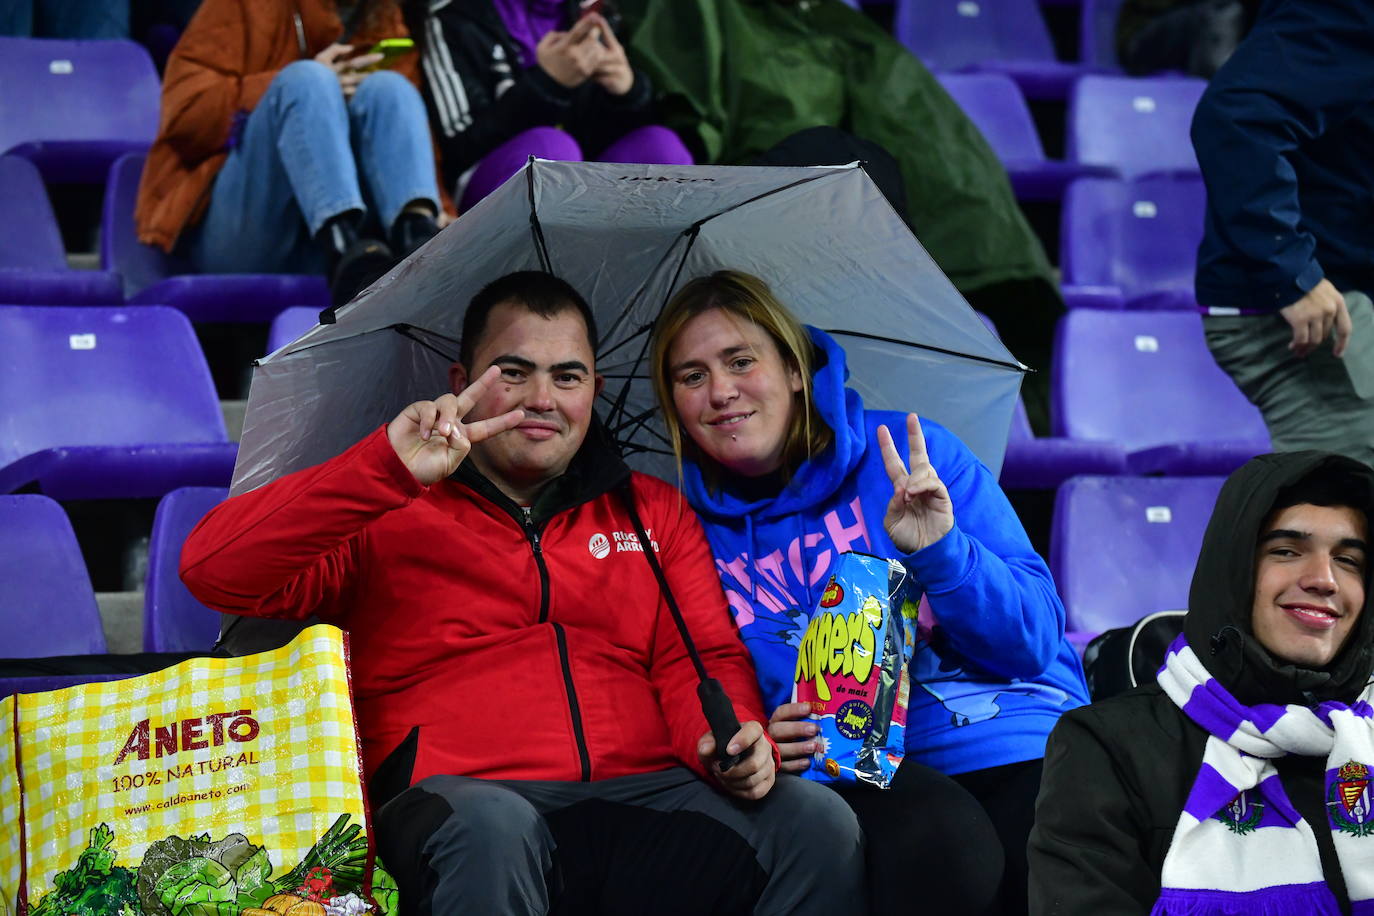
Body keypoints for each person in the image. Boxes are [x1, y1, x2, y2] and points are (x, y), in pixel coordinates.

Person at [180, 271, 864, 914]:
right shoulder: (386, 505)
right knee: (492, 829)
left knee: (811, 822)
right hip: (462, 804)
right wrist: (383, 469)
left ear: (593, 387)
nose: (542, 399)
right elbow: (213, 569)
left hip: (642, 795)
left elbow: (699, 655)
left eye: (566, 376)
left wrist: (725, 737)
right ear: (462, 381)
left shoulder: (650, 510)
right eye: (514, 372)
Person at [648, 270, 1090, 915]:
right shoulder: (683, 529)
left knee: (1043, 862)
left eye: (741, 361)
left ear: (797, 370)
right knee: (940, 849)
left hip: (1003, 733)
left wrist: (943, 551)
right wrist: (773, 727)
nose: (721, 392)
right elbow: (712, 678)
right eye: (691, 377)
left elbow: (1029, 644)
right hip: (855, 766)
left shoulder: (912, 457)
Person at [1028, 451, 1374, 913]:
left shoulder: (1364, 733)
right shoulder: (1107, 746)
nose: (1324, 580)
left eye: (1348, 560)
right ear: (1229, 571)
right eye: (1286, 551)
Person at [135, 0, 444, 306]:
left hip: (364, 249)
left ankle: (419, 241)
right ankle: (344, 251)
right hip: (247, 234)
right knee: (307, 81)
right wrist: (285, 90)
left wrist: (438, 204)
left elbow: (410, 141)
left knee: (390, 88)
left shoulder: (385, 15)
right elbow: (185, 117)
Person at [1193, 0, 1374, 466]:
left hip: (1346, 287)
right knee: (1350, 511)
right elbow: (1234, 116)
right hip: (1323, 306)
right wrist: (1291, 271)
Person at [404, 0, 693, 211]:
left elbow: (610, 139)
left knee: (660, 146)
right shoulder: (451, 16)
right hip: (486, 189)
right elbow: (458, 148)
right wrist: (547, 85)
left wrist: (627, 92)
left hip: (584, 187)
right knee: (549, 150)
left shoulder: (595, 12)